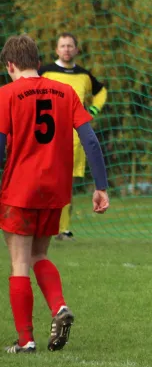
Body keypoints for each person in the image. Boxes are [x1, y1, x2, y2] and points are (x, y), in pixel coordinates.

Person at [0, 34, 109, 353]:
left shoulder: (6, 94)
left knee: (19, 262)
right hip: (56, 191)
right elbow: (90, 140)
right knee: (39, 255)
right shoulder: (66, 92)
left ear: (10, 66)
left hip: (19, 189)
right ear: (37, 62)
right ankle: (59, 307)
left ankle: (26, 340)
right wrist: (100, 186)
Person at [39, 32, 108, 241]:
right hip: (47, 135)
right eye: (63, 45)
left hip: (75, 137)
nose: (67, 49)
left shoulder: (84, 75)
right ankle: (42, 224)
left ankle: (63, 228)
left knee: (65, 184)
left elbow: (101, 92)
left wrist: (93, 111)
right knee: (45, 181)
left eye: (70, 45)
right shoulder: (45, 72)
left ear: (76, 49)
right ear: (56, 50)